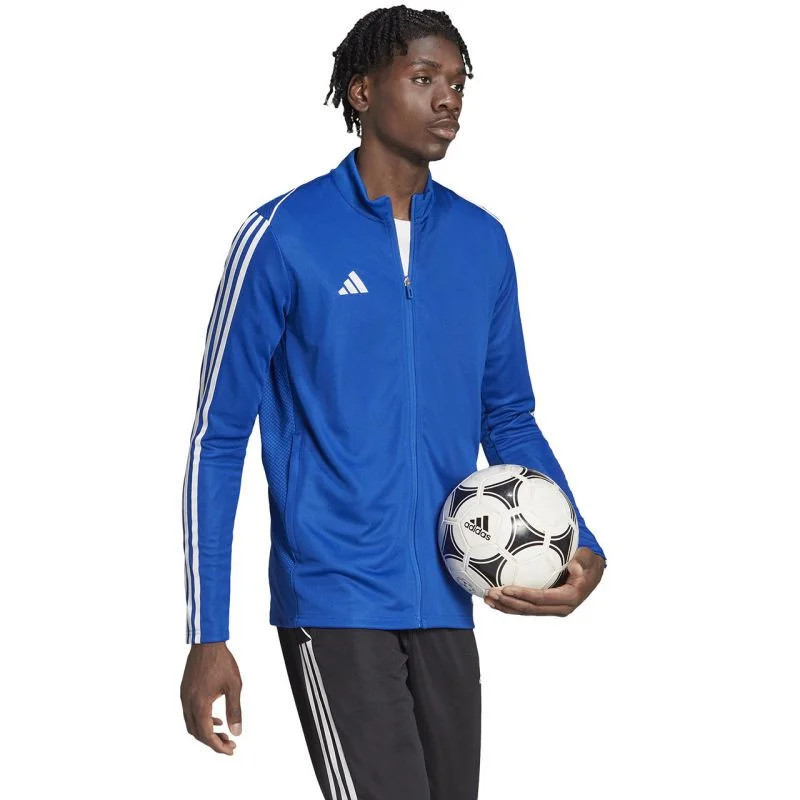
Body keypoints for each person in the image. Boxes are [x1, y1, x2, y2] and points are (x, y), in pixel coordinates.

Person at [180, 6, 607, 798]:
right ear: (363, 90)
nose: (448, 98)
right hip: (335, 597)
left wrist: (580, 541)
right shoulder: (284, 236)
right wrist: (208, 632)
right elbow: (219, 436)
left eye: (458, 83)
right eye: (424, 78)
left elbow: (508, 416)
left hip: (449, 592)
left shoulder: (482, 241)